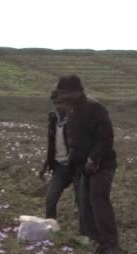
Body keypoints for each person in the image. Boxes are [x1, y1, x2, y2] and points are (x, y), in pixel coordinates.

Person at [55, 75, 119, 254]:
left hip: (101, 165)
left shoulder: (95, 108)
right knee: (85, 203)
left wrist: (94, 159)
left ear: (77, 91)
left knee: (99, 200)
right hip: (83, 166)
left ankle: (111, 245)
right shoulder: (73, 109)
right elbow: (74, 141)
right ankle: (97, 241)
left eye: (66, 94)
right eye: (61, 94)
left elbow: (105, 138)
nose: (63, 98)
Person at [39, 90, 92, 238]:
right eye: (55, 103)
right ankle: (51, 231)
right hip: (59, 167)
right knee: (50, 199)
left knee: (81, 201)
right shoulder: (53, 119)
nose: (58, 106)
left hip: (77, 167)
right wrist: (45, 165)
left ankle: (85, 235)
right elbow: (51, 144)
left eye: (61, 103)